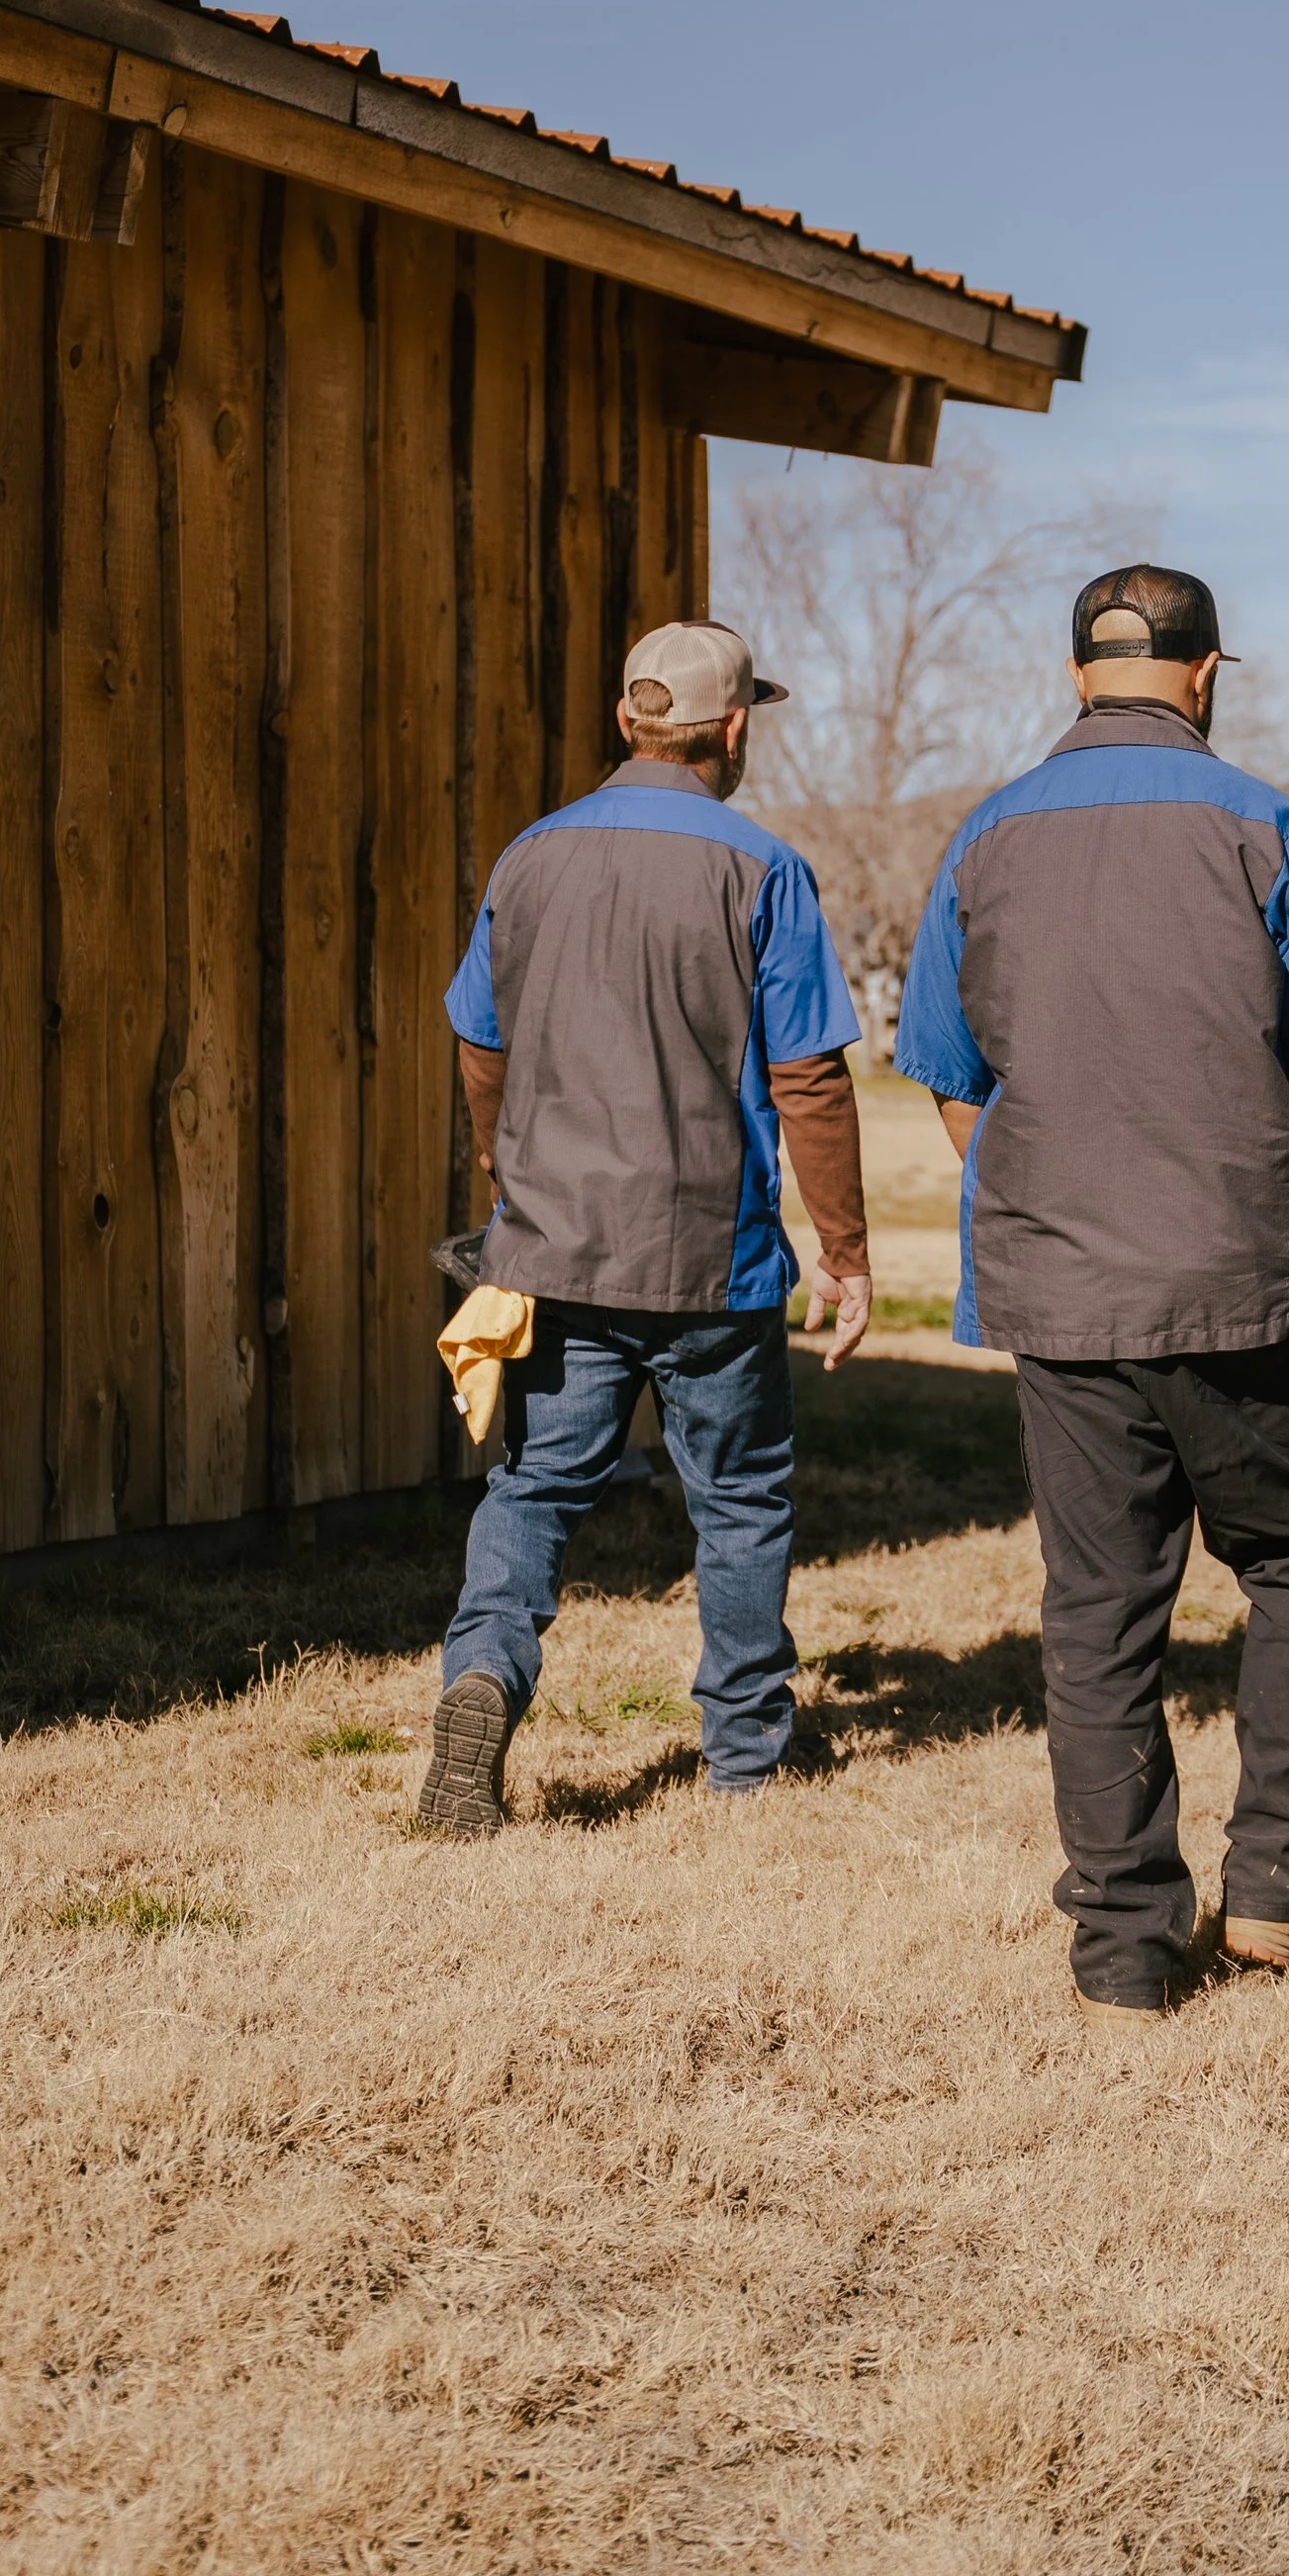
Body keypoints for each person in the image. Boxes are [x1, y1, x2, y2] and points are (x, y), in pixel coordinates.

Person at [893, 562, 1289, 2025]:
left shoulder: (982, 836)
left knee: (1097, 1610)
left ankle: (1123, 1950)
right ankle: (1280, 1893)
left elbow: (952, 1083)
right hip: (1246, 1292)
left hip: (1059, 1291)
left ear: (1077, 673)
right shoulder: (1267, 827)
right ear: (1209, 671)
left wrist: (1047, 1199)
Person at [412, 619, 875, 1834]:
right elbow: (811, 1078)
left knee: (535, 1487)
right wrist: (846, 1252)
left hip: (551, 1245)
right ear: (731, 729)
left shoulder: (529, 857)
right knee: (737, 1501)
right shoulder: (761, 869)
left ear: (627, 719)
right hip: (707, 1262)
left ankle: (482, 1675)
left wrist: (498, 1159)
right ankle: (744, 1756)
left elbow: (477, 1036)